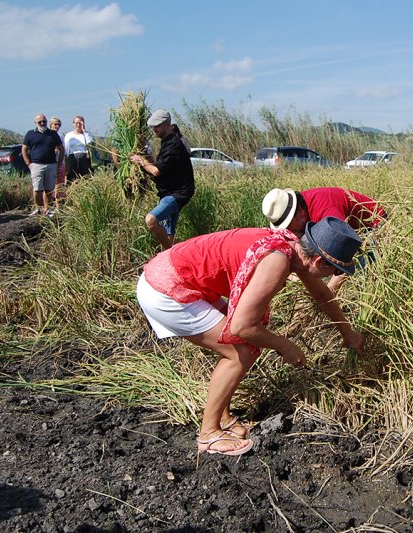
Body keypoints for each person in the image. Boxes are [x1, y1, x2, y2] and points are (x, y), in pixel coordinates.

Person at [136, 216, 365, 455]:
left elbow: (322, 295)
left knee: (240, 347)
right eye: (336, 270)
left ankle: (222, 417)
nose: (334, 275)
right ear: (319, 261)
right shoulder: (276, 262)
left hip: (179, 273)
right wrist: (283, 345)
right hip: (166, 287)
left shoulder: (293, 248)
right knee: (240, 352)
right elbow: (241, 327)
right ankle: (209, 434)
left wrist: (347, 333)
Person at [262, 187, 387, 291]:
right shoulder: (298, 210)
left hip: (373, 226)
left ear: (300, 212)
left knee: (359, 272)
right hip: (348, 229)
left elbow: (343, 255)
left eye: (290, 227)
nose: (290, 232)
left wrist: (327, 296)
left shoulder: (327, 213)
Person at [130, 109, 194, 250]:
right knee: (169, 235)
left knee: (151, 220)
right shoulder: (167, 143)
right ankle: (176, 259)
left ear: (167, 125)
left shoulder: (173, 145)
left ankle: (169, 256)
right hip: (169, 192)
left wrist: (140, 160)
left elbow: (156, 170)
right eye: (153, 126)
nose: (154, 129)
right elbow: (160, 167)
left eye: (157, 126)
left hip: (177, 193)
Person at [22, 113, 64, 217]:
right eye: (39, 122)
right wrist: (28, 163)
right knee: (37, 188)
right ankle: (38, 208)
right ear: (35, 123)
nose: (42, 123)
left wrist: (58, 163)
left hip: (51, 164)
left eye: (44, 121)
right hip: (36, 165)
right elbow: (24, 149)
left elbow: (61, 149)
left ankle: (47, 209)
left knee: (49, 189)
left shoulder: (53, 134)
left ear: (46, 122)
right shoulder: (30, 134)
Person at [63, 115, 95, 183]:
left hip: (85, 158)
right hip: (72, 158)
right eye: (76, 123)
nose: (78, 125)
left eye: (80, 123)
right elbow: (66, 149)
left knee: (86, 179)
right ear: (73, 124)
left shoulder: (88, 134)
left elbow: (90, 144)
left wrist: (84, 132)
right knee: (72, 179)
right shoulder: (68, 135)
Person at [48, 116, 67, 202]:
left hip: (60, 164)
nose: (57, 126)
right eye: (55, 124)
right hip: (49, 164)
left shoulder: (61, 138)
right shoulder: (46, 137)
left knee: (60, 186)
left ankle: (59, 205)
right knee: (50, 186)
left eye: (59, 125)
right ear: (50, 125)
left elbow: (64, 153)